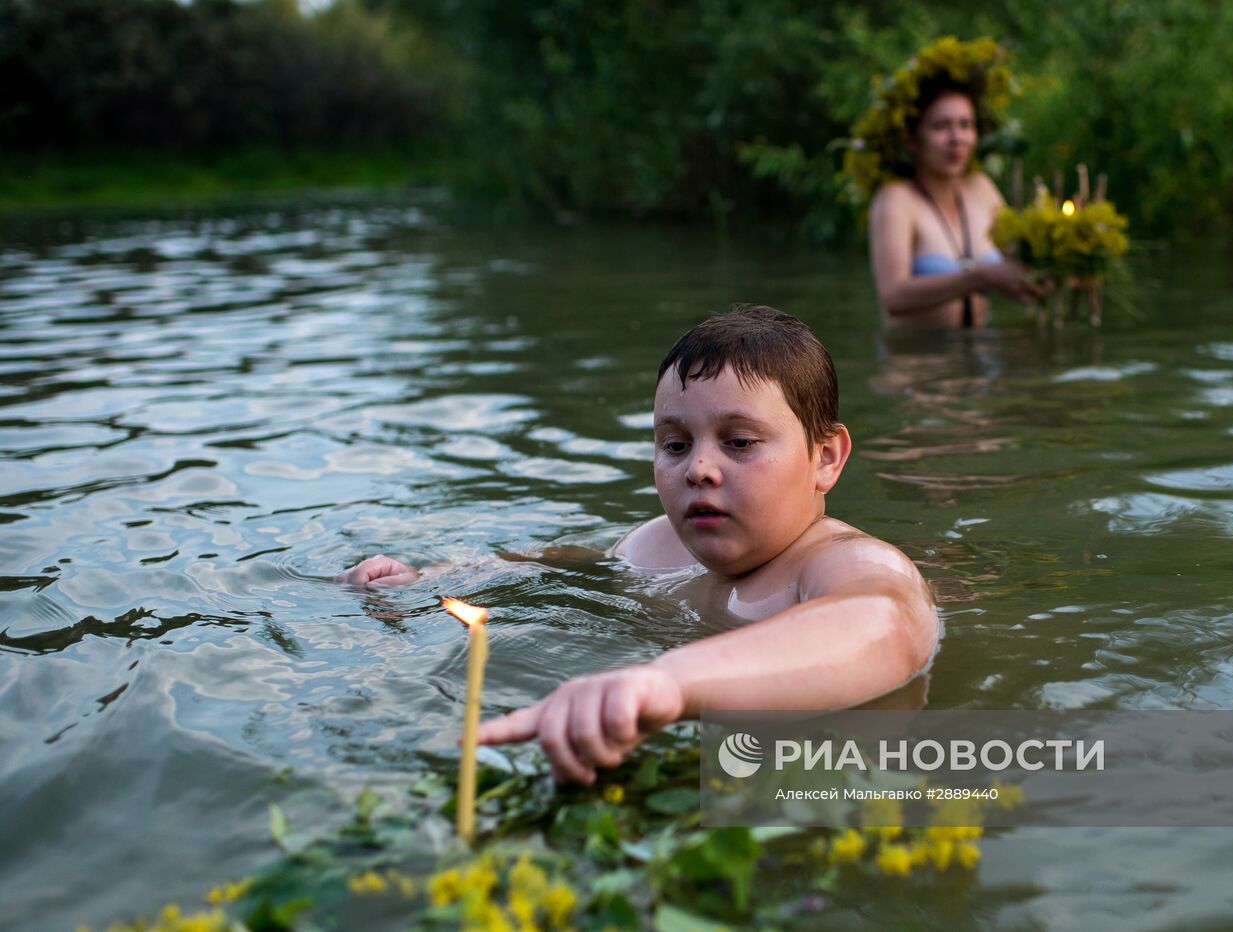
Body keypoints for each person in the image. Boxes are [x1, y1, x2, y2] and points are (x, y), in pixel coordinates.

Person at [337, 306, 939, 783]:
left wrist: (667, 683)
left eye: (739, 442)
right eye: (675, 445)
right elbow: (565, 558)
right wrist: (436, 575)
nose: (699, 468)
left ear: (825, 458)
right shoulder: (660, 546)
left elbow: (883, 624)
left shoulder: (843, 562)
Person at [867, 78, 1039, 328]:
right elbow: (893, 296)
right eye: (940, 126)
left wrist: (1061, 262)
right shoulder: (895, 198)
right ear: (912, 139)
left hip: (981, 352)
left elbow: (1017, 262)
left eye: (965, 125)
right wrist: (983, 276)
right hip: (914, 360)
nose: (956, 138)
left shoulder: (981, 187)